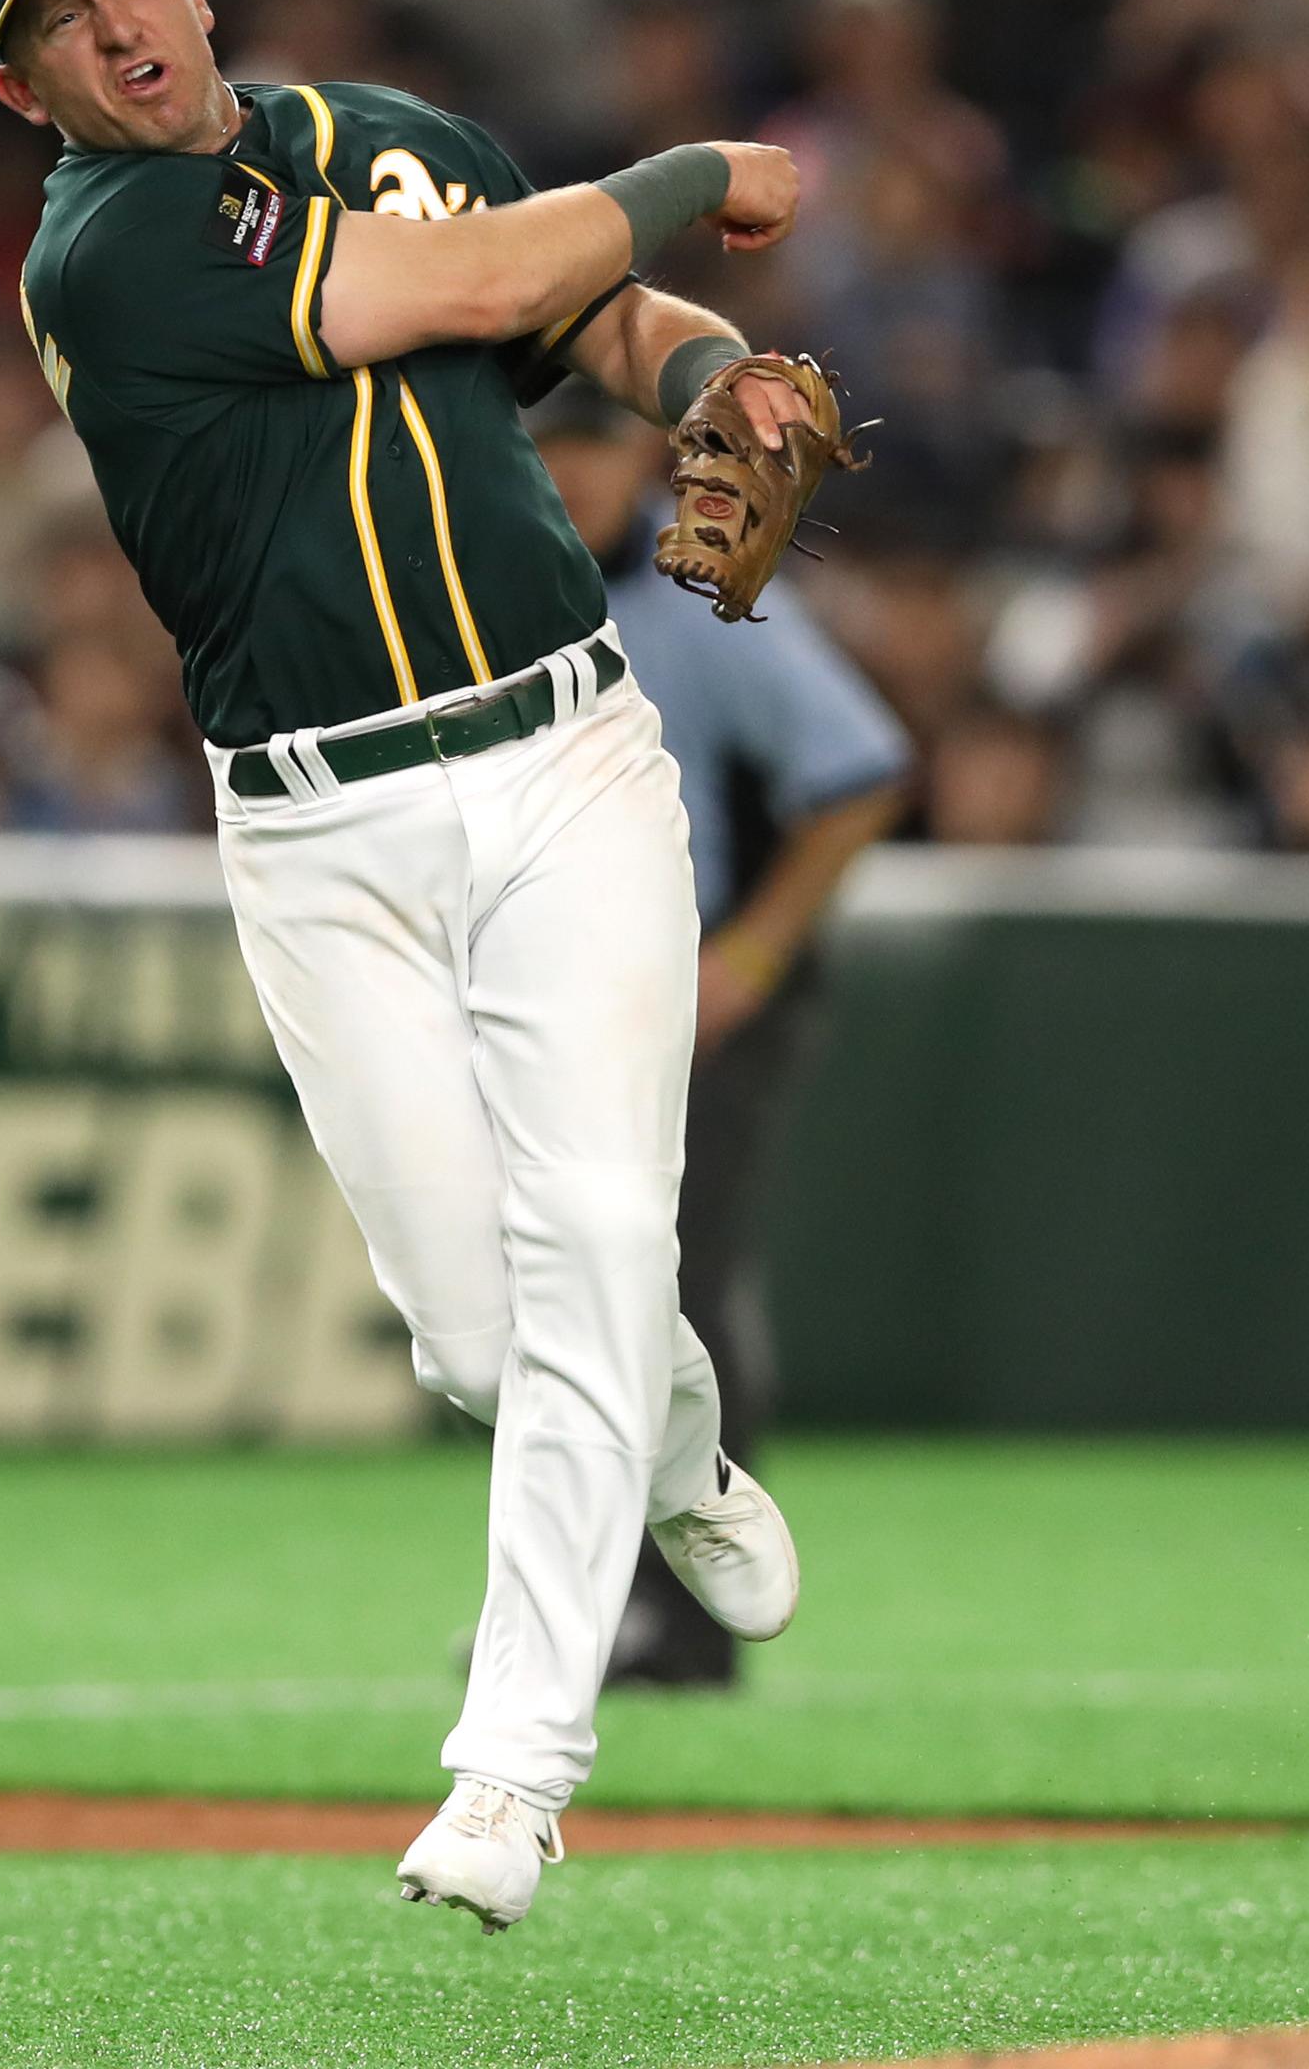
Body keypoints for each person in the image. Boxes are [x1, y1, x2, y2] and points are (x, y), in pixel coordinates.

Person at [0, 0, 813, 1931]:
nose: (122, 18)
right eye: (68, 13)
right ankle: (678, 1446)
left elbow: (590, 310)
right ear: (28, 90)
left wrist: (708, 378)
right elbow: (458, 293)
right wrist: (696, 163)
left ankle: (513, 1773)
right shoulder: (108, 248)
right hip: (320, 827)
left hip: (566, 760)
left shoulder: (399, 140)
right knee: (471, 1324)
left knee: (604, 1224)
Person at [528, 378, 909, 1688]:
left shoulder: (708, 588)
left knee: (675, 1278)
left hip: (709, 986)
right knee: (569, 1289)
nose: (570, 472)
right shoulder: (487, 595)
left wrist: (748, 952)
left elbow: (859, 773)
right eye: (545, 446)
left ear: (640, 455)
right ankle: (589, 1612)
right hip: (572, 984)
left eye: (588, 444)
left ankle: (687, 1622)